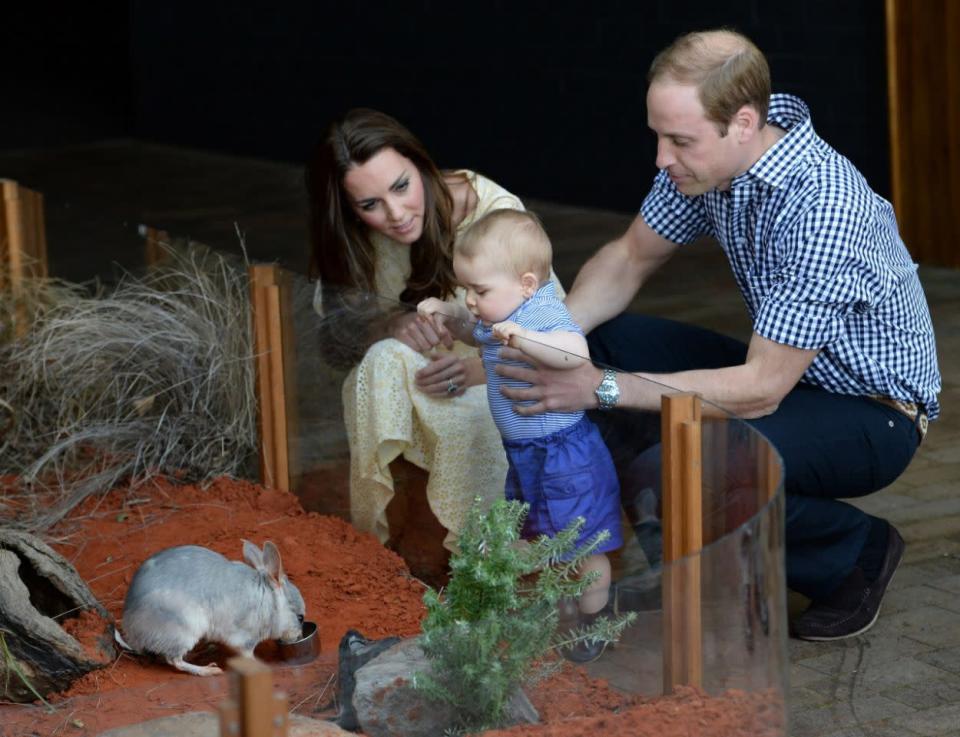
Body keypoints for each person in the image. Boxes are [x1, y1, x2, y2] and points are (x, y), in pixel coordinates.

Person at [495, 30, 941, 641]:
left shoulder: (824, 207)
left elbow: (760, 388)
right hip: (793, 375)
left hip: (871, 414)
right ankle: (690, 558)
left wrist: (598, 389)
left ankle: (853, 552)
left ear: (743, 123)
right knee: (605, 342)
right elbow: (628, 257)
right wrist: (551, 344)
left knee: (689, 458)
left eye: (679, 140)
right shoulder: (713, 169)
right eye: (658, 136)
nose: (661, 157)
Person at [305, 109, 567, 578]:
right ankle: (378, 544)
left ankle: (483, 563)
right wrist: (386, 325)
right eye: (370, 205)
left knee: (464, 425)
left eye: (401, 186)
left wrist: (475, 368)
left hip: (504, 387)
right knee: (382, 359)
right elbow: (334, 343)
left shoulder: (494, 213)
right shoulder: (356, 238)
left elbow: (555, 340)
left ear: (419, 164)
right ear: (349, 209)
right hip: (423, 385)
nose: (396, 214)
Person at [418, 208, 622, 662]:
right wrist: (449, 316)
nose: (471, 299)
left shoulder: (541, 313)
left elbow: (575, 353)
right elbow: (476, 333)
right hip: (527, 453)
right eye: (466, 289)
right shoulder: (499, 313)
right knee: (536, 532)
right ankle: (528, 602)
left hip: (564, 455)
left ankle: (597, 619)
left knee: (583, 545)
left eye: (479, 290)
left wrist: (524, 338)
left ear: (526, 285)